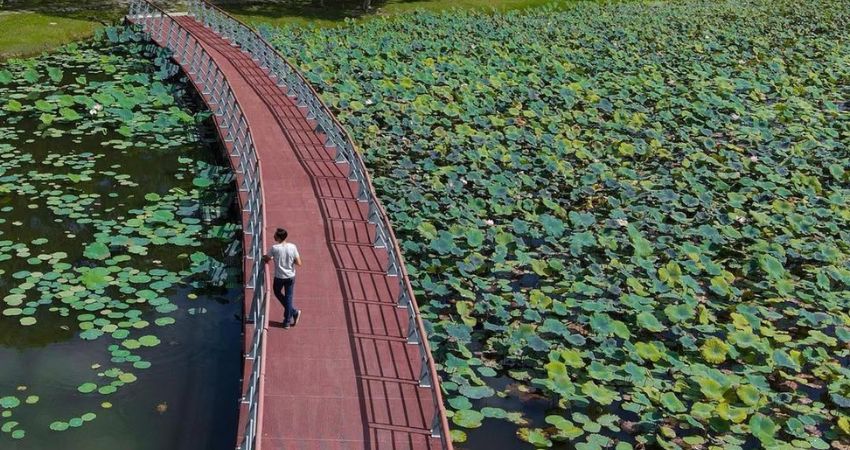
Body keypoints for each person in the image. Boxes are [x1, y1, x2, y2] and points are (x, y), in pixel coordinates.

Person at [262, 228, 302, 329]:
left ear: (279, 237)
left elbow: (267, 258)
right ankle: (288, 320)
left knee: (277, 292)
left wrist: (266, 257)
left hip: (279, 277)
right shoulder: (293, 247)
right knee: (289, 297)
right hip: (291, 276)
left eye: (275, 235)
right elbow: (299, 263)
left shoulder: (275, 248)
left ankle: (292, 315)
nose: (273, 236)